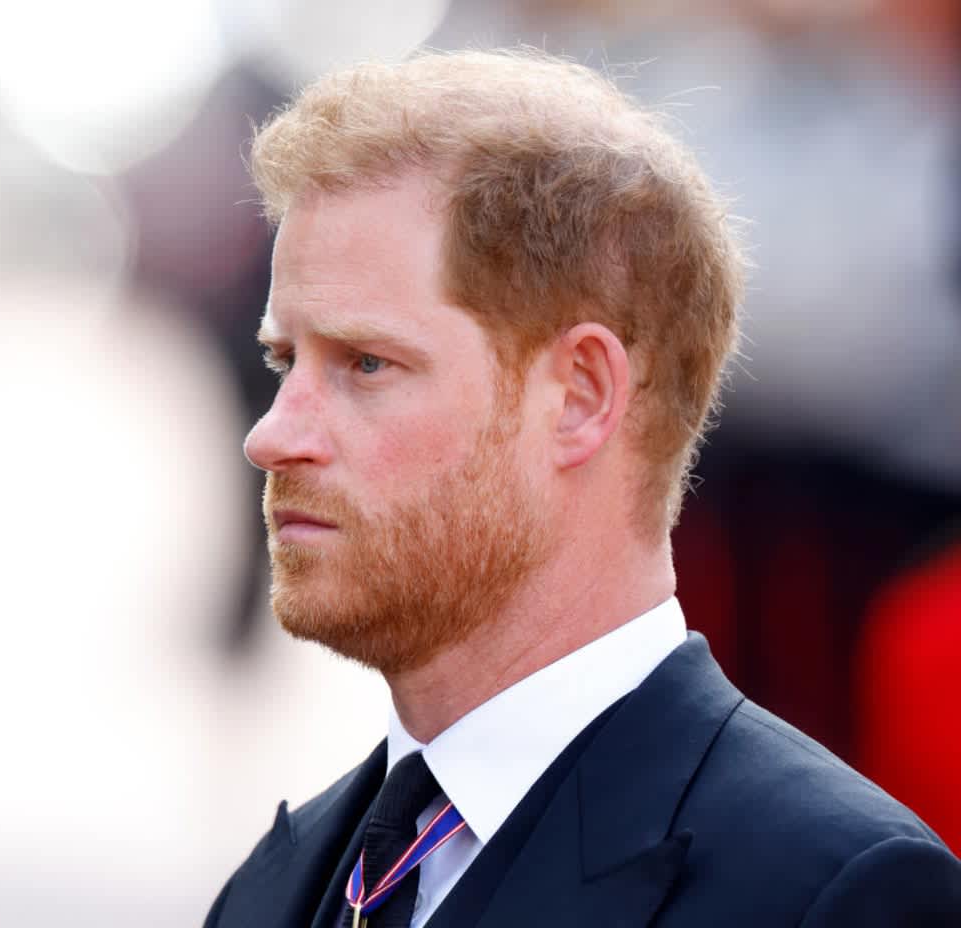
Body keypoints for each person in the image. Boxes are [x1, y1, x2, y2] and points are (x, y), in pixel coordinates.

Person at [204, 49, 961, 927]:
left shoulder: (829, 893)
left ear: (580, 396)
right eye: (284, 360)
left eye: (367, 363)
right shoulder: (273, 888)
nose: (269, 436)